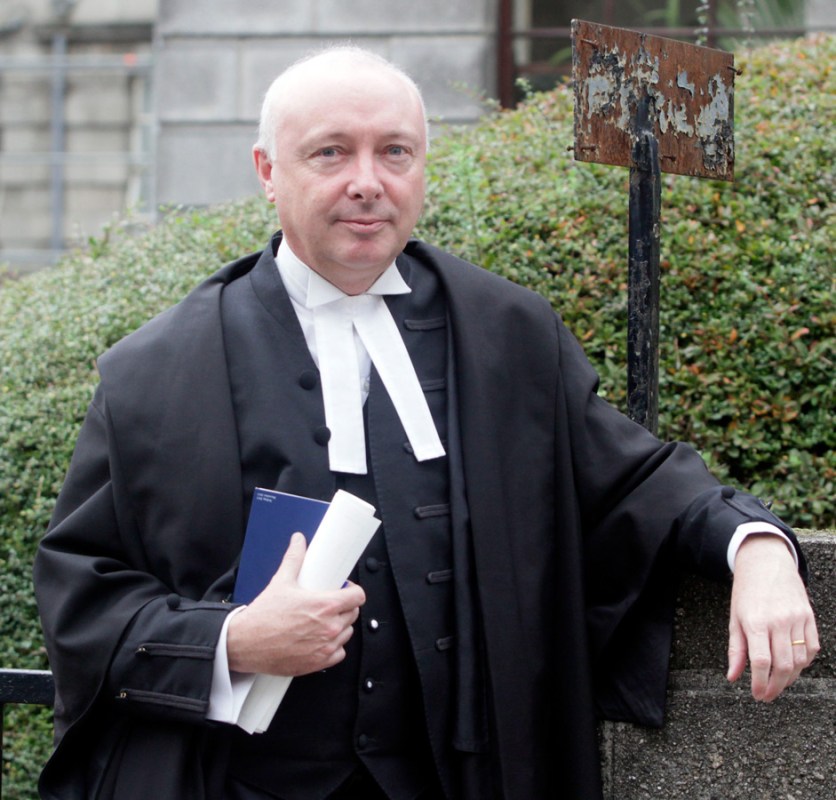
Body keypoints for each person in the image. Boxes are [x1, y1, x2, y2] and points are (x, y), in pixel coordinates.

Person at [34, 45, 819, 800]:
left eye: (395, 153)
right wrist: (231, 643)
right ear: (268, 173)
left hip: (464, 776)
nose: (367, 183)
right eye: (331, 153)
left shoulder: (505, 333)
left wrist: (757, 549)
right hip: (241, 781)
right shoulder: (155, 372)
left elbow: (637, 482)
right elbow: (83, 597)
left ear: (422, 170)